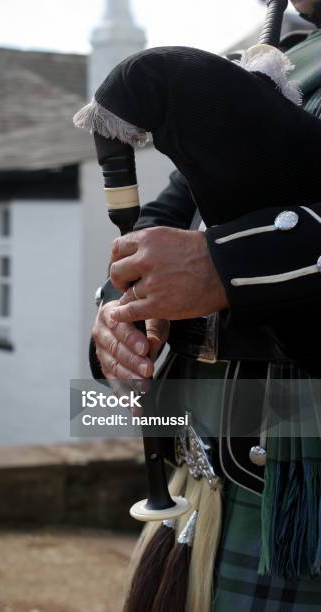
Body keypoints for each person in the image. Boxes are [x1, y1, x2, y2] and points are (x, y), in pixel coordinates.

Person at [90, 1, 321, 609]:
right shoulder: (284, 62)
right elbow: (170, 216)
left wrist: (226, 264)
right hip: (203, 482)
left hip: (300, 513)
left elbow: (215, 251)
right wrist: (123, 307)